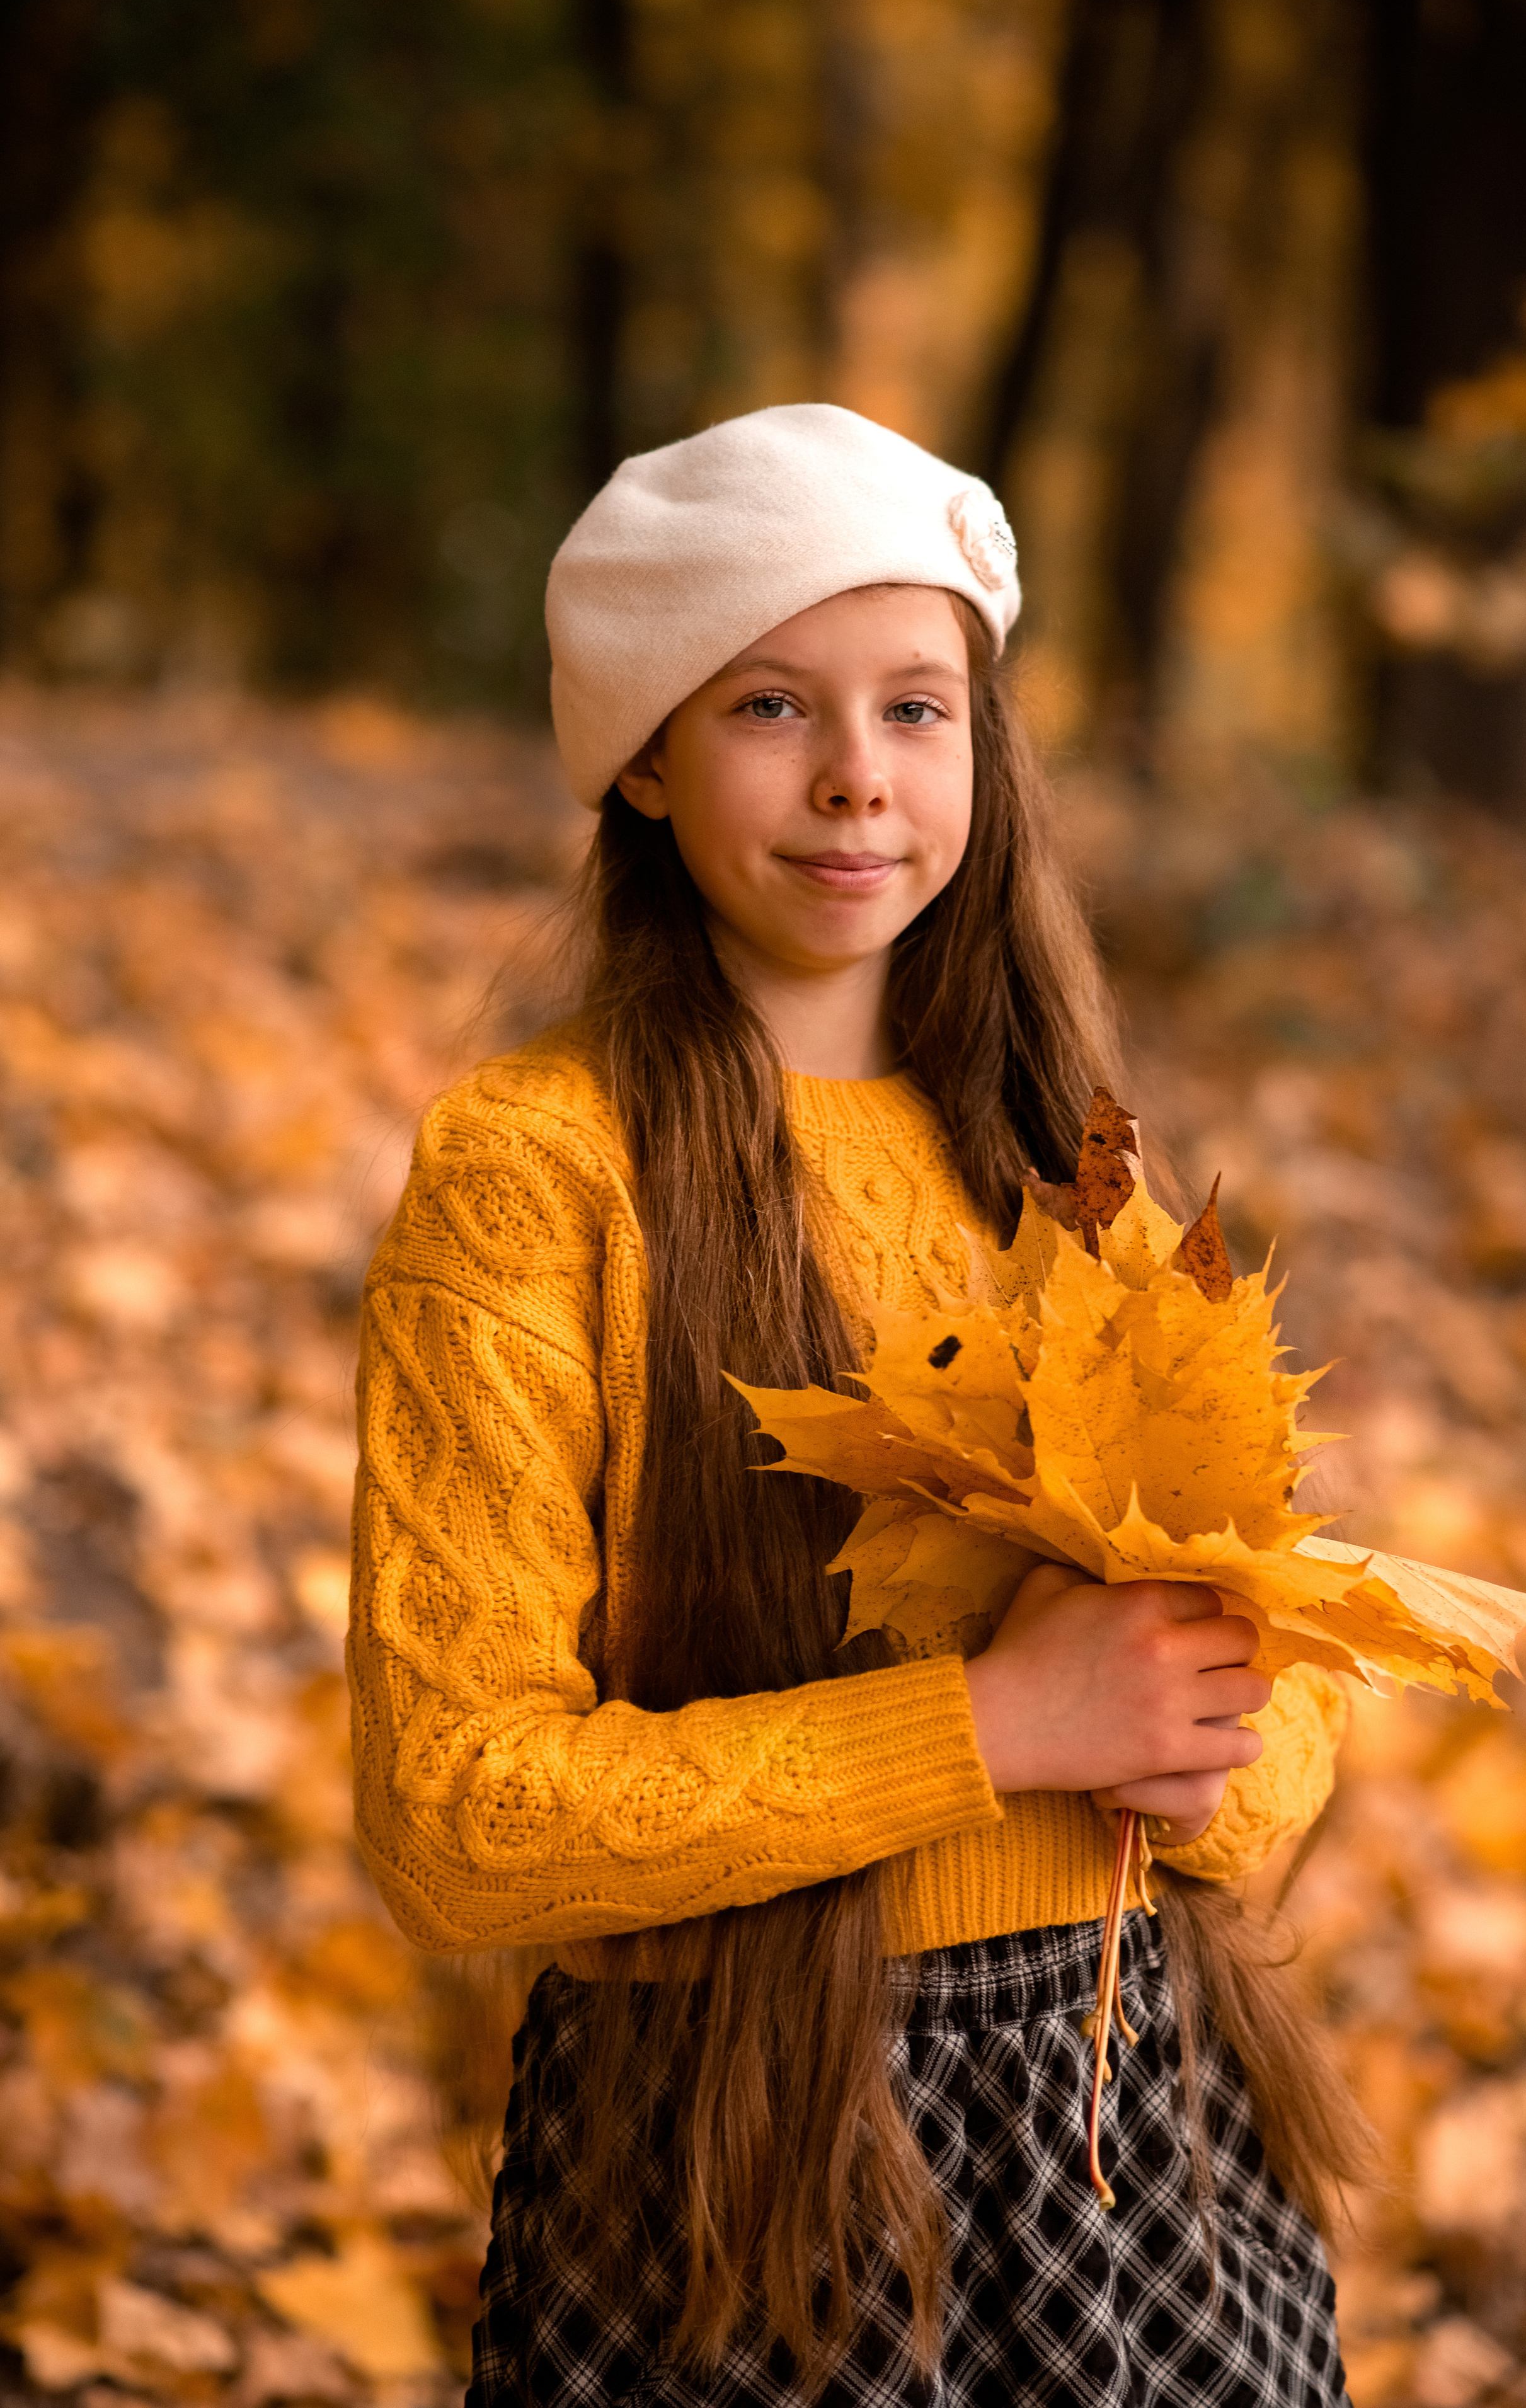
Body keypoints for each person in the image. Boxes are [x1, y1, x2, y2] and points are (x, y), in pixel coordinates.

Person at [347, 404, 1368, 2408]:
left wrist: (1210, 1762)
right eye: (766, 708)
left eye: (918, 707)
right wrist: (998, 1726)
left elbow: (1286, 1652)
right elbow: (457, 1818)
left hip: (1130, 2127)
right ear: (641, 756)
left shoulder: (1062, 1154)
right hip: (750, 2164)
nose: (856, 781)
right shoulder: (538, 1168)